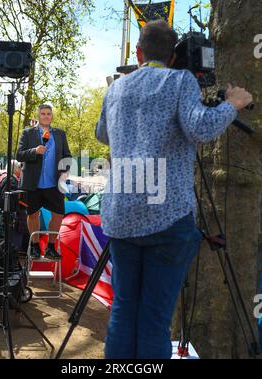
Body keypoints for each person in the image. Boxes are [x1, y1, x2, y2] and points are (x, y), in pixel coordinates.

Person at [95, 20, 253, 359]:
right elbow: (200, 127)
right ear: (173, 56)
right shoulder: (180, 80)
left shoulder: (116, 88)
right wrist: (233, 104)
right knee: (153, 320)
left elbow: (102, 134)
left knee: (123, 313)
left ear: (138, 53)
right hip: (167, 217)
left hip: (121, 216)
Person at [16, 104, 72, 260]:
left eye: (48, 114)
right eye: (43, 114)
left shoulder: (60, 134)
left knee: (59, 215)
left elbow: (67, 156)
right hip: (33, 183)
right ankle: (34, 246)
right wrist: (34, 151)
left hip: (54, 184)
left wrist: (65, 171)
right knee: (33, 214)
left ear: (51, 116)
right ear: (38, 116)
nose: (46, 116)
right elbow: (19, 155)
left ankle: (51, 247)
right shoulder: (28, 133)